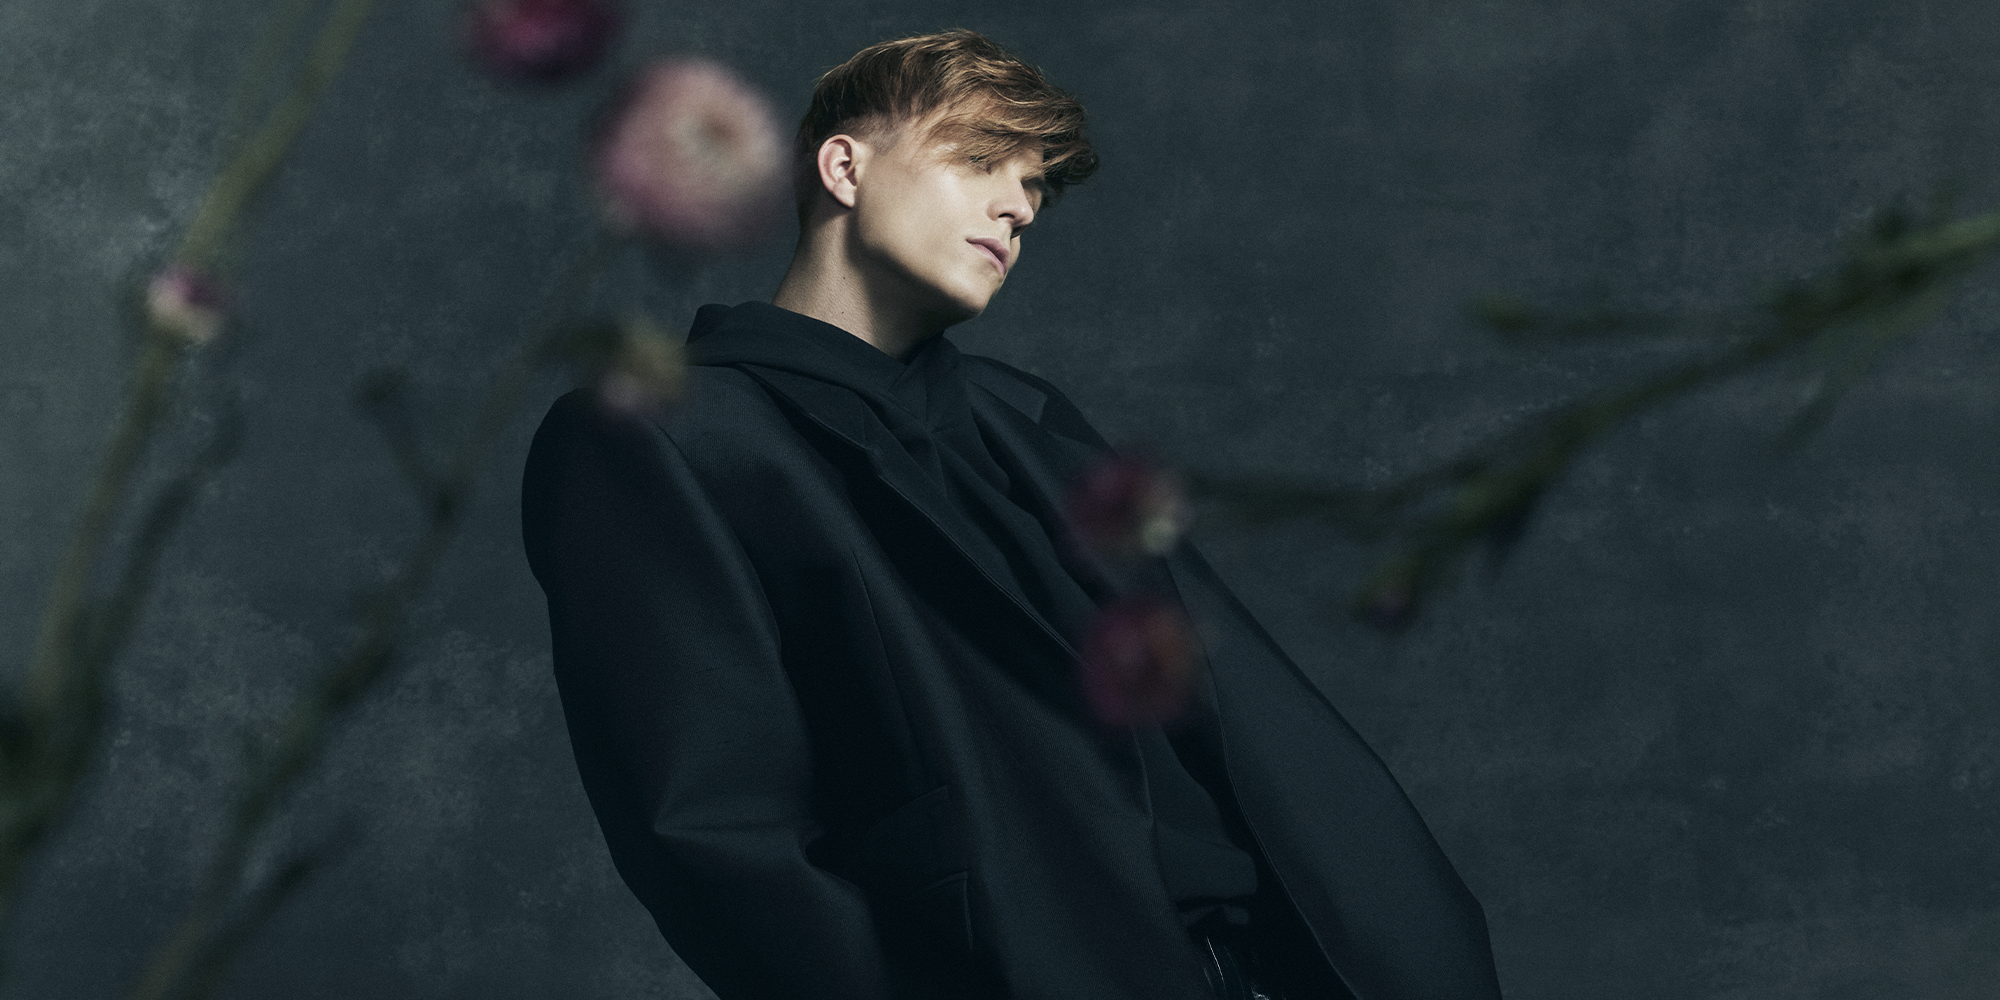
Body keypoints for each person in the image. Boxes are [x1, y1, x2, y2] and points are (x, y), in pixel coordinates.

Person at [521, 29, 1503, 1000]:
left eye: (1033, 186)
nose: (1018, 206)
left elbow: (1231, 721)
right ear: (844, 168)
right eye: (980, 160)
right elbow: (712, 832)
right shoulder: (663, 439)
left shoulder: (1027, 417)